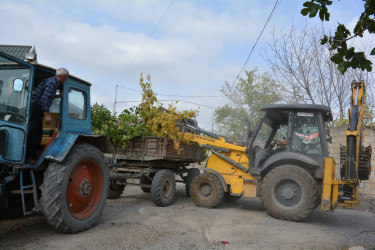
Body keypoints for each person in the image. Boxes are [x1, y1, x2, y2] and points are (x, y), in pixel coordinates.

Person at [26, 68, 69, 163]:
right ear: (62, 76)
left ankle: (31, 156)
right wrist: (48, 114)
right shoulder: (53, 83)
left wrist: (57, 96)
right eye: (66, 77)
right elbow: (45, 100)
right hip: (37, 108)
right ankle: (29, 157)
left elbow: (45, 95)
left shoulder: (49, 81)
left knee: (37, 133)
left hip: (35, 106)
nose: (66, 79)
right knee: (34, 134)